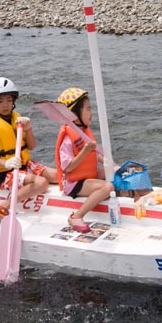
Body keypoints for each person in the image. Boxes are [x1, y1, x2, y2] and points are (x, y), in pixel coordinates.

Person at [0, 77, 56, 222]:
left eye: (9, 100)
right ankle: (3, 206)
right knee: (42, 183)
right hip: (4, 173)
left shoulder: (18, 119)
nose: (5, 105)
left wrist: (28, 129)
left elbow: (31, 146)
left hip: (24, 165)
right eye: (0, 101)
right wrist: (6, 163)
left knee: (58, 176)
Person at [53, 87, 114, 232]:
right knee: (108, 187)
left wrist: (105, 162)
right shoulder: (68, 137)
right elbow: (67, 167)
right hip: (73, 183)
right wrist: (85, 150)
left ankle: (129, 194)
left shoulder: (84, 132)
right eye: (88, 109)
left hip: (87, 176)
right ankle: (77, 216)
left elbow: (92, 156)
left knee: (113, 172)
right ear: (74, 113)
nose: (91, 112)